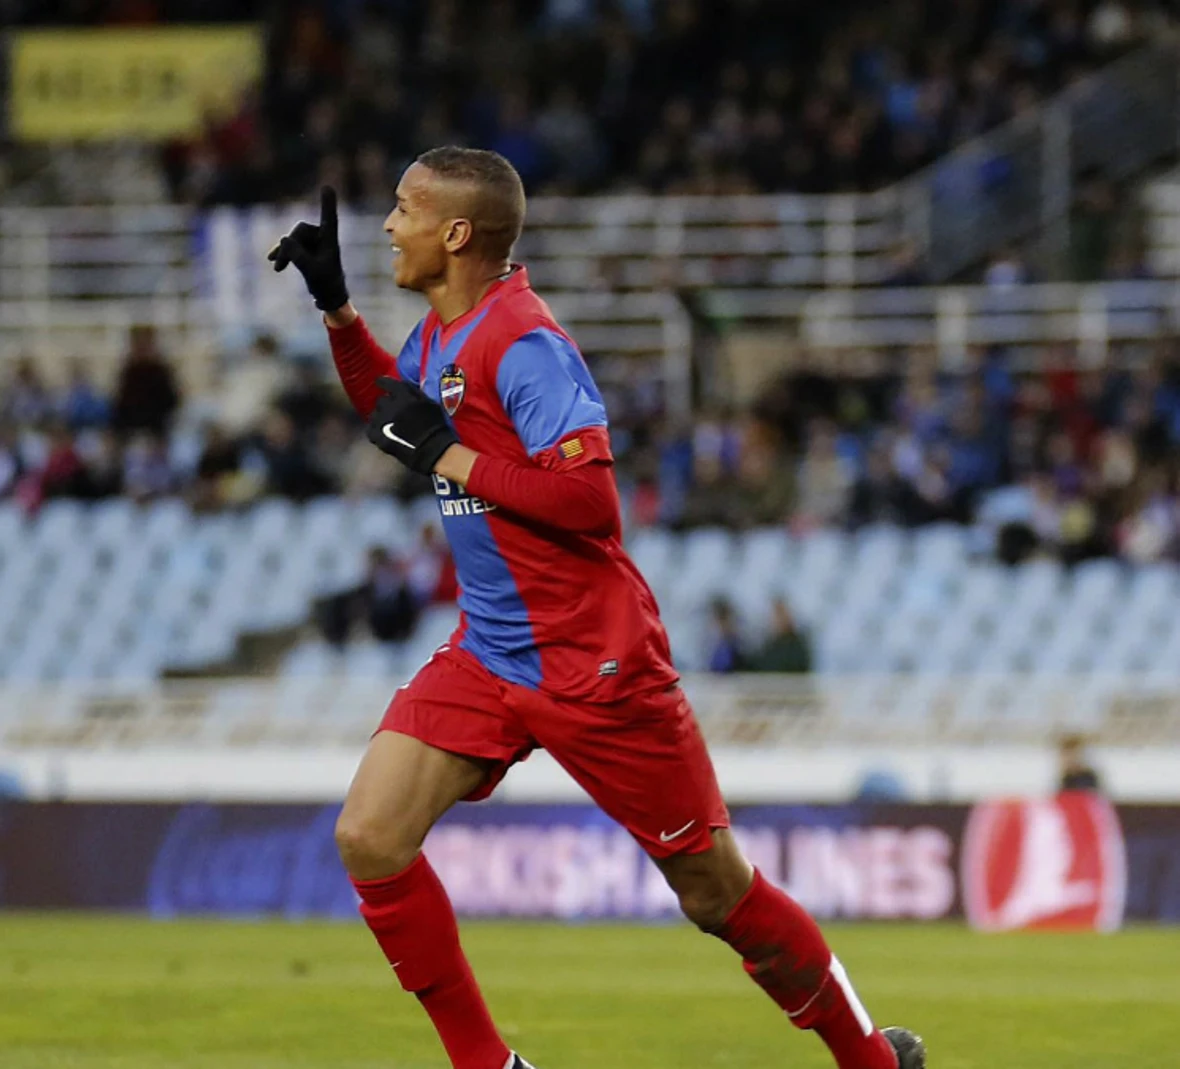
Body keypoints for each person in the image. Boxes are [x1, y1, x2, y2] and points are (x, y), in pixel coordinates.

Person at [269, 153, 923, 1069]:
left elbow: (589, 503)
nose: (387, 224)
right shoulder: (438, 336)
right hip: (490, 652)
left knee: (714, 892)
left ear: (456, 233)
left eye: (405, 208)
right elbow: (393, 412)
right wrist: (337, 310)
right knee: (370, 836)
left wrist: (449, 459)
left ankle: (871, 1060)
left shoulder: (525, 344)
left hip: (594, 662)